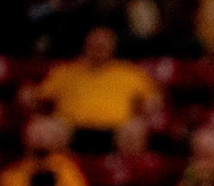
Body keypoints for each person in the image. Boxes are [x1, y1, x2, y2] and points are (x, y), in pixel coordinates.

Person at [31, 26, 161, 154]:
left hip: (116, 130)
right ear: (86, 46)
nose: (98, 48)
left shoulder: (129, 72)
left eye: (103, 45)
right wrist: (29, 96)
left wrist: (151, 104)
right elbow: (39, 97)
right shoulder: (65, 71)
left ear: (112, 47)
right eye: (94, 45)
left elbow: (152, 98)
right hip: (70, 129)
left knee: (135, 128)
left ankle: (128, 174)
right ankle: (61, 172)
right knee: (42, 128)